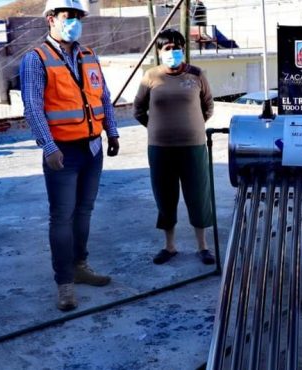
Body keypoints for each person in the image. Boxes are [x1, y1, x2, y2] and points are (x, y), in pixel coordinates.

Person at [20, 0, 120, 311]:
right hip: (62, 152)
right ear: (51, 19)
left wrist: (112, 132)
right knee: (61, 217)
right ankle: (64, 283)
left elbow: (103, 95)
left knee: (85, 211)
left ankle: (80, 265)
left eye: (78, 16)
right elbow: (33, 106)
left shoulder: (89, 55)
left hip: (93, 148)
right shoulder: (36, 59)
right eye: (68, 16)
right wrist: (48, 147)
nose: (75, 21)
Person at [133, 29, 216, 266]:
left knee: (198, 195)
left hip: (193, 146)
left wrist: (195, 125)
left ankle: (203, 247)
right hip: (160, 148)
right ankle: (169, 247)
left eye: (177, 47)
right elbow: (138, 109)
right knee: (165, 196)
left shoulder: (197, 74)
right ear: (159, 52)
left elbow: (208, 105)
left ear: (183, 49)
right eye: (167, 48)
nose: (173, 52)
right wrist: (155, 127)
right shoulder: (151, 76)